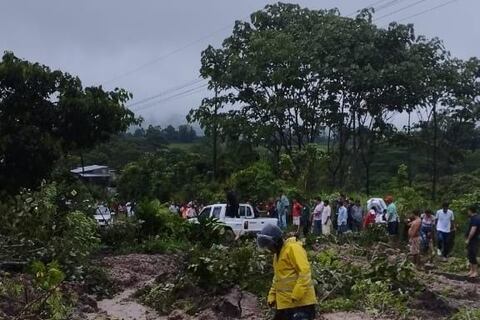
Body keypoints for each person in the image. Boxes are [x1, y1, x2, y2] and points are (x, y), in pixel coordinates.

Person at [256, 225, 317, 320]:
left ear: (276, 241)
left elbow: (304, 272)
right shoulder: (277, 255)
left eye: (269, 245)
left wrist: (297, 293)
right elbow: (278, 278)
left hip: (301, 303)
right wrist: (272, 294)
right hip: (286, 304)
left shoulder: (293, 248)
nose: (268, 248)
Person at [465, 206, 480, 278]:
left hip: (474, 239)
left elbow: (473, 230)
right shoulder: (473, 218)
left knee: (473, 255)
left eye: (468, 211)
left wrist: (468, 239)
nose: (468, 212)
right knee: (470, 255)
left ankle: (475, 272)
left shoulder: (476, 218)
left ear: (470, 211)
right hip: (472, 239)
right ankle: (471, 270)